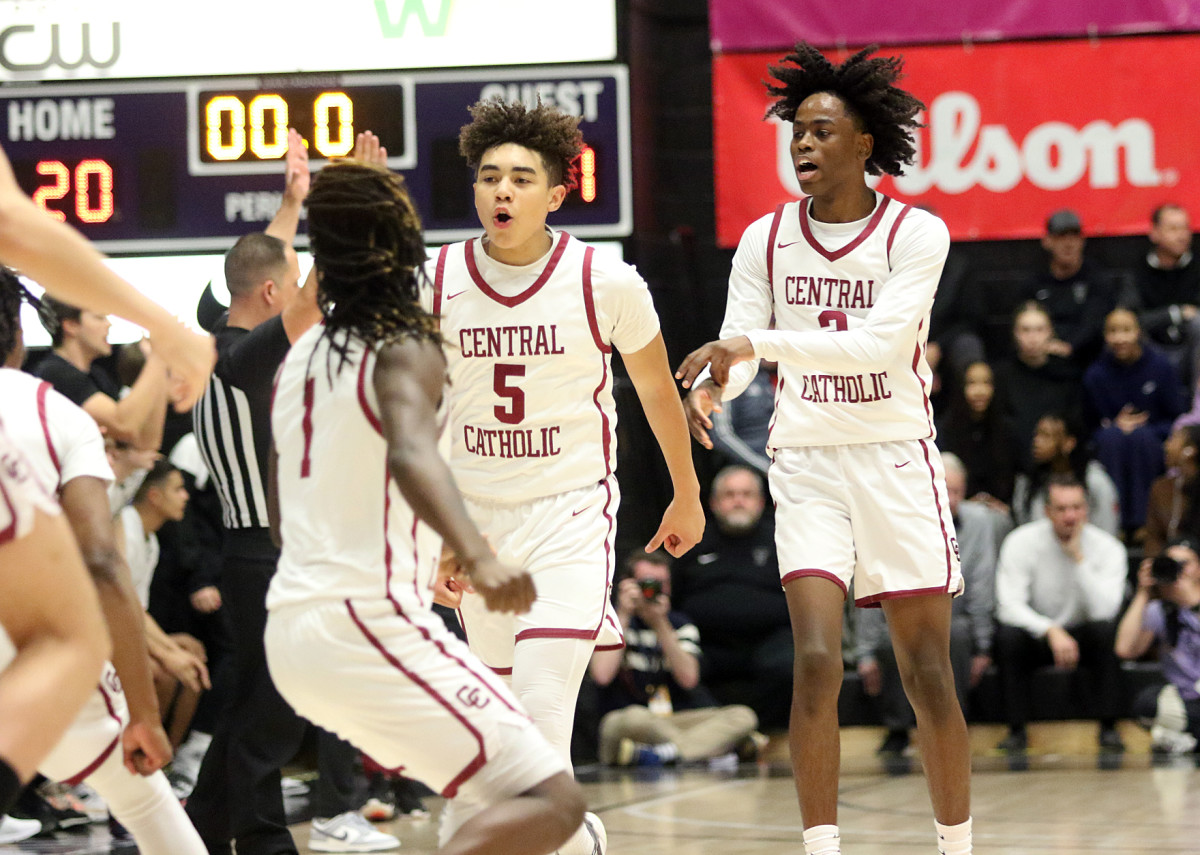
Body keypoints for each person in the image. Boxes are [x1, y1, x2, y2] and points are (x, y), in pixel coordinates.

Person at [676, 43, 972, 855]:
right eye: (794, 133)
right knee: (814, 657)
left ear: (863, 141)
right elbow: (742, 364)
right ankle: (821, 848)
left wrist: (748, 344)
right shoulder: (766, 239)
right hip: (806, 462)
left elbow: (877, 347)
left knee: (928, 675)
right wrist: (715, 385)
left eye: (819, 132)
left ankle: (958, 843)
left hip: (894, 458)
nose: (802, 146)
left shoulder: (917, 233)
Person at [264, 158, 586, 855]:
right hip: (365, 623)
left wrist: (420, 548)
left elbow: (287, 500)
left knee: (483, 794)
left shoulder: (301, 356)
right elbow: (412, 452)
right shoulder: (405, 342)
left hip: (290, 632)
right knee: (556, 802)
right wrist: (474, 552)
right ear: (399, 244)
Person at [428, 98, 704, 855]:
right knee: (502, 733)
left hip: (569, 516)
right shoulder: (438, 275)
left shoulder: (603, 279)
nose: (502, 192)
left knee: (541, 706)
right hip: (477, 523)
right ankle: (578, 839)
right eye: (489, 177)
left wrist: (686, 489)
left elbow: (656, 391)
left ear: (556, 192)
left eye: (521, 177)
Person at [186, 130, 392, 855]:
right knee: (270, 717)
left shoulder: (209, 340)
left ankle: (194, 834)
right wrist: (351, 201)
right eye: (292, 278)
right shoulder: (253, 352)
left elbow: (260, 267)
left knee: (253, 711)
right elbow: (303, 291)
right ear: (272, 297)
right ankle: (262, 840)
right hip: (266, 556)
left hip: (251, 553)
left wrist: (293, 203)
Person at [0, 140, 213, 816]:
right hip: (76, 523)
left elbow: (142, 437)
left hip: (86, 514)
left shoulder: (79, 383)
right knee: (75, 633)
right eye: (95, 312)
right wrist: (167, 338)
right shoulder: (52, 383)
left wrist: (159, 354)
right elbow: (15, 224)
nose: (103, 319)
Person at [855, 453, 996, 756]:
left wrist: (984, 647)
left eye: (956, 491)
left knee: (955, 635)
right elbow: (873, 584)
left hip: (955, 618)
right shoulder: (890, 519)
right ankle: (898, 731)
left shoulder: (979, 523)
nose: (947, 498)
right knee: (888, 640)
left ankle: (952, 729)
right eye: (941, 488)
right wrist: (864, 652)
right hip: (900, 614)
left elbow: (982, 587)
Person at [994, 474, 1128, 754]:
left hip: (1084, 633)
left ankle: (1109, 728)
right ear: (1047, 512)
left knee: (1106, 631)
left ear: (1087, 510)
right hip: (1039, 633)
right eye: (1062, 509)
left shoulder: (1108, 548)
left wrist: (1078, 558)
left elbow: (1106, 610)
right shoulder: (1021, 542)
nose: (1070, 516)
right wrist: (1050, 630)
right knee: (1008, 638)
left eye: (1077, 508)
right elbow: (1008, 605)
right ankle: (1016, 731)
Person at [589, 550, 760, 767]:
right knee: (637, 717)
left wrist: (661, 625)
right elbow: (601, 675)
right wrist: (622, 614)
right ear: (627, 584)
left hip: (673, 719)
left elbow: (688, 679)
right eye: (646, 583)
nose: (653, 590)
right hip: (624, 722)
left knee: (743, 716)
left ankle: (663, 754)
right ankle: (709, 750)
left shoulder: (679, 624)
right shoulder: (611, 622)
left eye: (662, 583)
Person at [672, 465, 793, 729]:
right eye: (730, 495)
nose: (738, 501)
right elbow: (675, 598)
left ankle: (756, 734)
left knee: (789, 667)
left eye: (746, 494)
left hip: (770, 639)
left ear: (761, 502)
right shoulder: (691, 541)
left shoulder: (782, 539)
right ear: (713, 503)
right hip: (707, 642)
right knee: (675, 666)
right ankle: (718, 733)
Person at [1083, 306, 1183, 537]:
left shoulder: (1161, 367)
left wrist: (1144, 428)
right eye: (1113, 331)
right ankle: (1115, 521)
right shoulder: (1095, 374)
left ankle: (1143, 521)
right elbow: (1090, 425)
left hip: (1152, 440)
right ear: (1105, 335)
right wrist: (1113, 427)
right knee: (1113, 438)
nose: (1120, 338)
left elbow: (1175, 418)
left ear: (1138, 332)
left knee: (1141, 438)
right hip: (1111, 440)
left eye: (1126, 330)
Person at [35, 297, 170, 452]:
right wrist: (158, 355)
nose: (109, 324)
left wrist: (161, 362)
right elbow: (123, 425)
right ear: (71, 326)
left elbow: (146, 442)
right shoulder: (55, 373)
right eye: (99, 317)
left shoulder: (97, 376)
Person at [1115, 536, 1200, 754]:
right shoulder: (1160, 609)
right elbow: (1125, 649)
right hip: (1187, 699)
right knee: (1146, 703)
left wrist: (1192, 603)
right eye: (1171, 564)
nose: (1178, 571)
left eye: (1184, 565)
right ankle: (1190, 737)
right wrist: (1144, 592)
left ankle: (1185, 737)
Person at [1017, 209, 1115, 373]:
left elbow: (1095, 322)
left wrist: (1069, 345)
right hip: (1043, 358)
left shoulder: (1096, 278)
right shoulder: (1034, 281)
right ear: (1047, 241)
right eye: (1061, 237)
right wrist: (1045, 344)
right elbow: (1023, 320)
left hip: (1089, 360)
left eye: (1074, 236)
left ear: (1082, 241)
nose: (1069, 244)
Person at [992, 301, 1084, 469]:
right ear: (1015, 333)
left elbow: (1076, 426)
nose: (1033, 338)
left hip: (1061, 465)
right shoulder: (1001, 376)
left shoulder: (1068, 374)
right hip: (1013, 464)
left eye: (1039, 330)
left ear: (1051, 332)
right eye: (1025, 330)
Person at [1121, 204, 1200, 388]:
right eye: (1173, 229)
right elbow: (1131, 319)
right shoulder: (1137, 271)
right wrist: (1175, 313)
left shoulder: (1197, 267)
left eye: (1185, 228)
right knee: (1122, 334)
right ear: (1154, 233)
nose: (1182, 236)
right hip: (1152, 350)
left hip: (1192, 351)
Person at [1011, 411, 1121, 537]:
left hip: (1086, 551)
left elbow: (1107, 527)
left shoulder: (1094, 480)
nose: (1036, 442)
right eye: (1037, 434)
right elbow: (1023, 527)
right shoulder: (1029, 481)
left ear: (1069, 443)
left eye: (1046, 436)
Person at [935, 360, 1016, 514]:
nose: (980, 391)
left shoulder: (1006, 429)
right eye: (972, 383)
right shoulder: (946, 428)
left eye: (986, 383)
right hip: (956, 507)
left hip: (998, 508)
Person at [1143, 424, 1200, 557]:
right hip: (1169, 565)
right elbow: (1153, 537)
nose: (1166, 446)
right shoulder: (1161, 488)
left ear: (1190, 450)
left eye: (1173, 439)